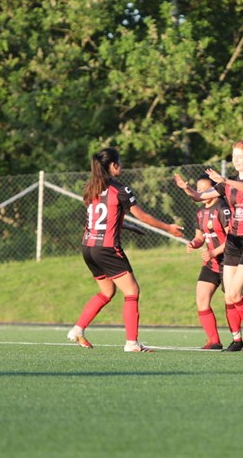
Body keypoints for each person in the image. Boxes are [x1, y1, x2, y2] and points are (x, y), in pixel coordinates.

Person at [67, 148, 184, 351]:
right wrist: (168, 228)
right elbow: (143, 216)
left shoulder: (91, 188)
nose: (121, 166)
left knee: (107, 291)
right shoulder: (121, 189)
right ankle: (132, 343)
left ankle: (77, 330)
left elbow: (100, 218)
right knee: (132, 291)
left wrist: (126, 225)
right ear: (113, 165)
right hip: (107, 248)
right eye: (119, 162)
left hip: (88, 247)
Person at [174, 139, 243, 351]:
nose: (235, 160)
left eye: (240, 157)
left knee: (235, 292)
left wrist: (225, 180)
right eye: (233, 157)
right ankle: (242, 336)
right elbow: (199, 197)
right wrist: (186, 188)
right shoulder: (227, 184)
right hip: (234, 242)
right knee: (229, 295)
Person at [184, 175, 233, 350]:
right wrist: (193, 243)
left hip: (229, 261)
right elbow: (199, 237)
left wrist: (214, 252)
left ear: (215, 190)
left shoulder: (223, 208)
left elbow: (232, 238)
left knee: (234, 300)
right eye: (199, 189)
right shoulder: (200, 213)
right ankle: (214, 341)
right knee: (202, 299)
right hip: (212, 263)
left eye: (206, 189)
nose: (202, 192)